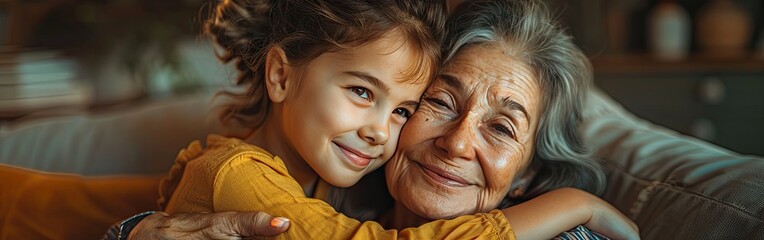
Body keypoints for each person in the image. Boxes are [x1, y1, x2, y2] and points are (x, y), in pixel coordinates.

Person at [107, 0, 639, 239]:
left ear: (529, 175)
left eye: (501, 128)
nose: (455, 144)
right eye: (440, 103)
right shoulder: (287, 182)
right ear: (281, 76)